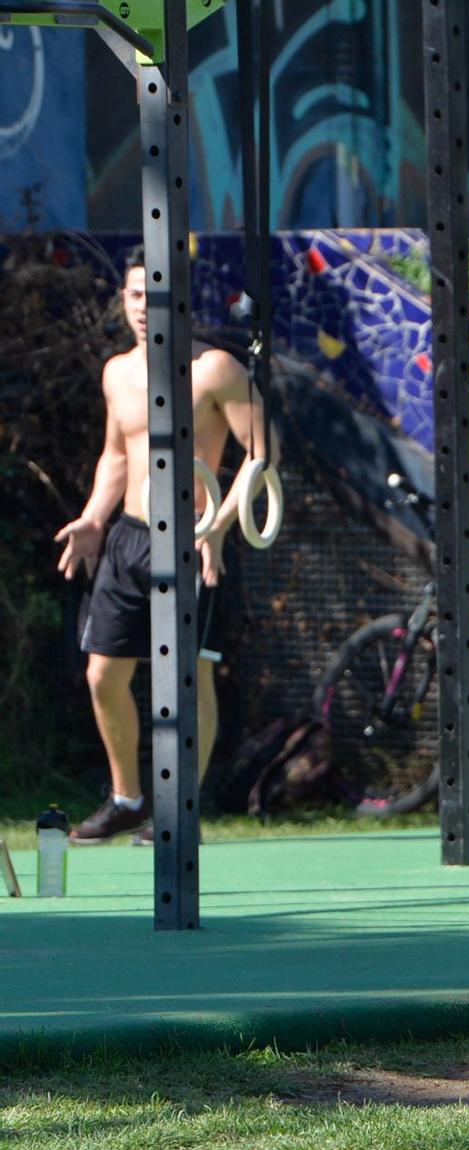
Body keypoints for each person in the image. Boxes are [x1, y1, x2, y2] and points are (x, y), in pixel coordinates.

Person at [54, 250, 274, 845]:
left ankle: (182, 809)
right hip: (126, 540)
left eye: (157, 295)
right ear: (122, 302)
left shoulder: (216, 370)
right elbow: (116, 456)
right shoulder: (116, 373)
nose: (145, 308)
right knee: (103, 675)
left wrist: (218, 530)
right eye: (135, 296)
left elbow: (260, 457)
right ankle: (127, 799)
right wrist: (94, 519)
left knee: (187, 680)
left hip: (192, 538)